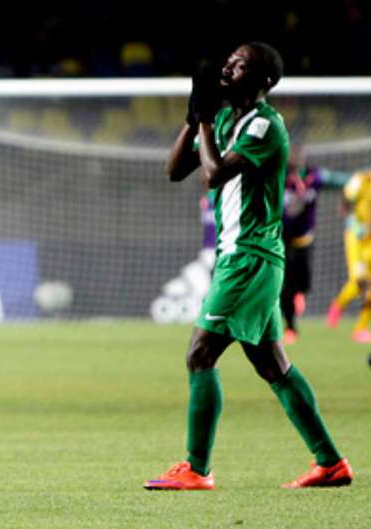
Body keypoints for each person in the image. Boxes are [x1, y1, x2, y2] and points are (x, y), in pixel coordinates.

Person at [144, 42, 352, 490]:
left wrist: (202, 121)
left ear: (263, 82)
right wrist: (192, 117)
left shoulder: (264, 125)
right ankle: (331, 463)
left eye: (238, 65)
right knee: (273, 366)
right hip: (239, 256)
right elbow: (175, 170)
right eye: (227, 62)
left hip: (250, 256)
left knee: (200, 354)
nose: (227, 68)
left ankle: (197, 468)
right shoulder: (223, 118)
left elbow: (214, 174)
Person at [280, 145, 349, 344]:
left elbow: (340, 181)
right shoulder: (278, 179)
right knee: (286, 287)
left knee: (305, 281)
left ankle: (300, 293)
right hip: (282, 241)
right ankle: (291, 327)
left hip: (304, 241)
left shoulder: (314, 177)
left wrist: (360, 178)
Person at [326, 169, 371, 342]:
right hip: (357, 238)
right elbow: (345, 199)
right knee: (359, 281)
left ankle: (360, 329)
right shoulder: (360, 180)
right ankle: (338, 304)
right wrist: (350, 220)